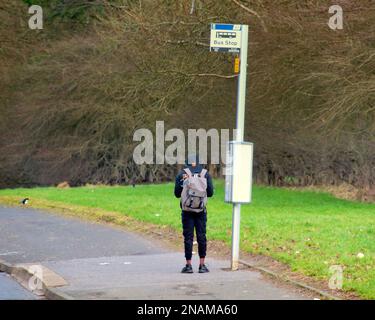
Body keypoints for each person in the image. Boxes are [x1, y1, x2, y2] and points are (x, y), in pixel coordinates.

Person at [174, 154, 214, 273]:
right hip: (201, 210)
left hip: (187, 211)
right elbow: (210, 193)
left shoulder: (182, 174)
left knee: (188, 237)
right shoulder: (205, 174)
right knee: (201, 236)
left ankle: (188, 265)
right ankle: (202, 265)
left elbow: (176, 194)